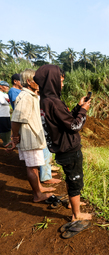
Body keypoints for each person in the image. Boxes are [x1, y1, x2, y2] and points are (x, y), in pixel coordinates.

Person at [34, 65, 92, 221]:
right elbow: (74, 126)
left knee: (70, 177)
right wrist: (84, 110)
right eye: (60, 80)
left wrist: (78, 107)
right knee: (75, 179)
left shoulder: (45, 100)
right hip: (69, 149)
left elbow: (64, 121)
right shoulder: (54, 102)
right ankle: (76, 215)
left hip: (60, 147)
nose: (63, 84)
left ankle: (73, 205)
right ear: (52, 80)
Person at [6, 69, 55, 202]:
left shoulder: (31, 95)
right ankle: (37, 195)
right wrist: (14, 138)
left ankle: (39, 187)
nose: (41, 82)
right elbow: (16, 119)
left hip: (33, 136)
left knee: (34, 166)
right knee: (32, 167)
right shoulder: (26, 97)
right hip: (30, 136)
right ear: (29, 81)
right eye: (37, 79)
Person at [0, 81, 11, 146]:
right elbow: (3, 102)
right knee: (4, 128)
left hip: (6, 114)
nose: (7, 87)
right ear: (0, 86)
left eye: (8, 86)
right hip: (1, 114)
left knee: (7, 127)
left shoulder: (6, 94)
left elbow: (9, 102)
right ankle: (6, 142)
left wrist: (8, 101)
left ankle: (8, 141)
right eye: (6, 86)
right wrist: (8, 101)